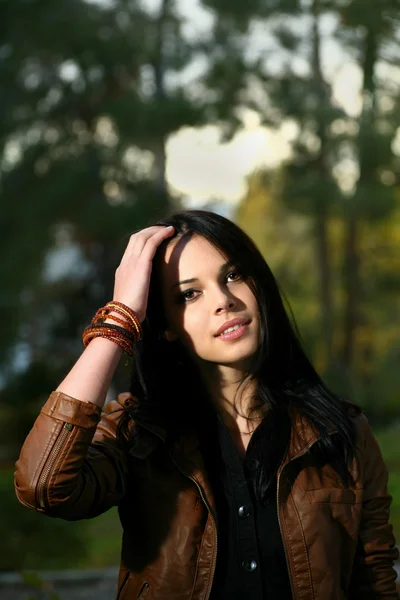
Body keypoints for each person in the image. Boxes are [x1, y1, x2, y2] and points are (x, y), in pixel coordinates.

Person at [14, 209, 399, 600]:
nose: (225, 301)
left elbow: (375, 581)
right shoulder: (138, 434)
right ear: (165, 326)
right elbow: (44, 485)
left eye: (233, 275)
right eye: (189, 294)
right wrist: (120, 319)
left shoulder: (341, 431)